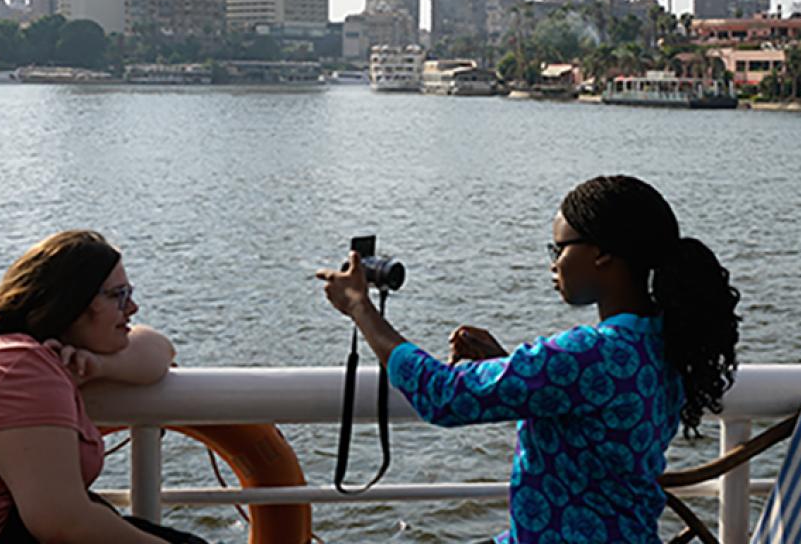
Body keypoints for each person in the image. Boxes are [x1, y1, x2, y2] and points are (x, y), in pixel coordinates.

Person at [317, 175, 741, 543]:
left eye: (558, 249)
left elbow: (442, 397)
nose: (554, 265)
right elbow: (588, 420)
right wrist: (504, 363)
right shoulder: (662, 340)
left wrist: (360, 309)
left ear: (602, 254)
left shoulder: (589, 354)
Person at [0, 230, 204, 544]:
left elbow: (158, 348)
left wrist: (101, 366)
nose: (132, 308)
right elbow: (61, 523)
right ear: (73, 303)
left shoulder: (2, 353)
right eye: (117, 296)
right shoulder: (22, 371)